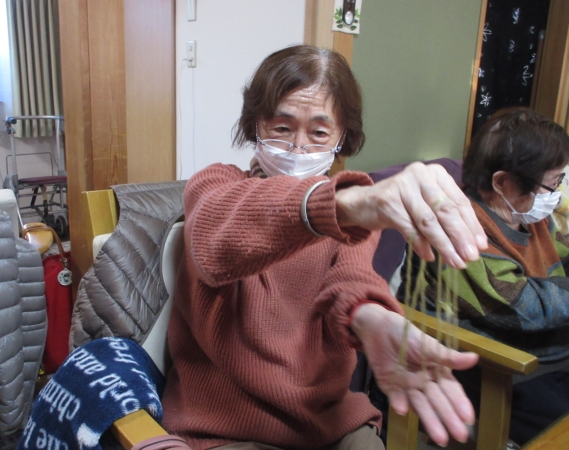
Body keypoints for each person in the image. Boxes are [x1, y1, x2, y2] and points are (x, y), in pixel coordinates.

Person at [161, 44, 486, 450]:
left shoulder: (349, 218)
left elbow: (351, 282)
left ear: (341, 137)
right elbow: (216, 241)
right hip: (223, 428)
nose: (298, 148)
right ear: (256, 125)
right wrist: (344, 204)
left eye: (318, 133)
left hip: (328, 422)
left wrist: (373, 318)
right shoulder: (216, 185)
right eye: (282, 128)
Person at [398, 106, 569, 445]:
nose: (557, 194)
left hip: (548, 355)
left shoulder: (528, 215)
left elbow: (561, 258)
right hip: (494, 370)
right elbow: (527, 310)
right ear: (502, 182)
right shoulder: (456, 230)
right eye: (552, 184)